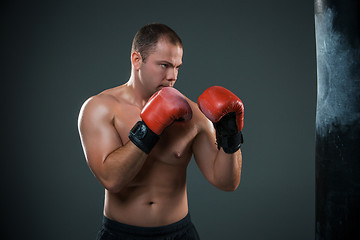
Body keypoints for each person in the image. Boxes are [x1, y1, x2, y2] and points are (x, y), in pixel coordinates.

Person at [78, 23, 244, 240]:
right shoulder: (100, 108)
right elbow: (111, 179)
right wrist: (150, 127)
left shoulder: (193, 114)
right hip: (121, 234)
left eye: (177, 67)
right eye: (164, 65)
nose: (172, 76)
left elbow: (227, 182)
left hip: (179, 233)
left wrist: (230, 135)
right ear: (137, 60)